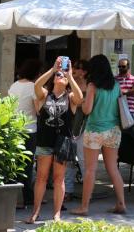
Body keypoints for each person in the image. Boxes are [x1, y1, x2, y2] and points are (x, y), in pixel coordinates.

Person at [25, 57, 83, 224]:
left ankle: (57, 213)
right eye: (59, 74)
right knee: (42, 177)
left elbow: (80, 98)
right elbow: (36, 85)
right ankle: (36, 212)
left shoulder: (70, 97)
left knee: (59, 178)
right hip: (45, 141)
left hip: (62, 143)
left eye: (62, 75)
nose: (61, 75)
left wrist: (70, 76)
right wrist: (52, 70)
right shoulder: (44, 95)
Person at [71, 55, 126, 215]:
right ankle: (121, 203)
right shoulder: (116, 85)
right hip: (113, 131)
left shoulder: (93, 86)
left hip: (94, 130)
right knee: (113, 169)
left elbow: (87, 110)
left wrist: (81, 102)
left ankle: (84, 207)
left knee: (90, 170)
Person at [8, 58, 42, 209]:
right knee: (27, 165)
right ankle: (27, 198)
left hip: (15, 129)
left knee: (15, 164)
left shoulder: (13, 85)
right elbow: (38, 110)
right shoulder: (33, 87)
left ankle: (14, 197)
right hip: (29, 130)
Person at [65, 59, 89, 202]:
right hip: (70, 124)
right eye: (74, 67)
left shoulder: (90, 85)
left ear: (84, 71)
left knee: (82, 160)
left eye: (78, 68)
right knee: (68, 160)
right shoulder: (68, 82)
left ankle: (87, 191)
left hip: (83, 126)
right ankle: (68, 190)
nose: (74, 69)